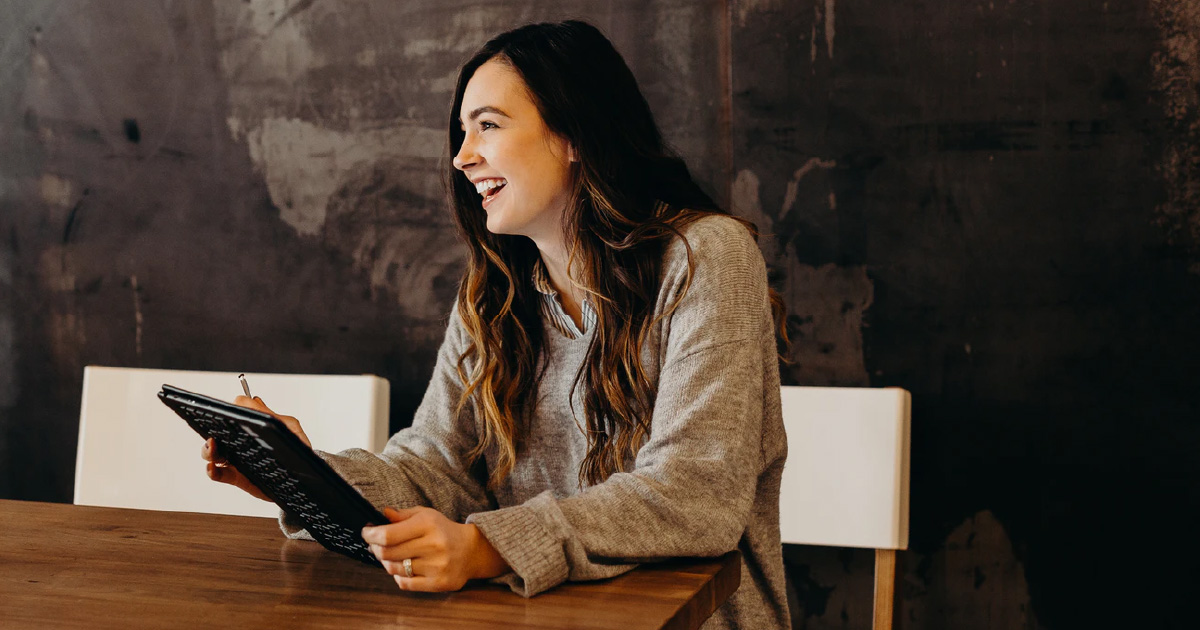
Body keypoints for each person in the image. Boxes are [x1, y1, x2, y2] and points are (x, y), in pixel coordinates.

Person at [201, 20, 791, 630]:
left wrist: (487, 548)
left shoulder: (706, 257)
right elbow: (435, 469)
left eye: (488, 124)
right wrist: (305, 476)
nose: (462, 157)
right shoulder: (494, 294)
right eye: (462, 132)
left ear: (574, 135)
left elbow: (695, 495)